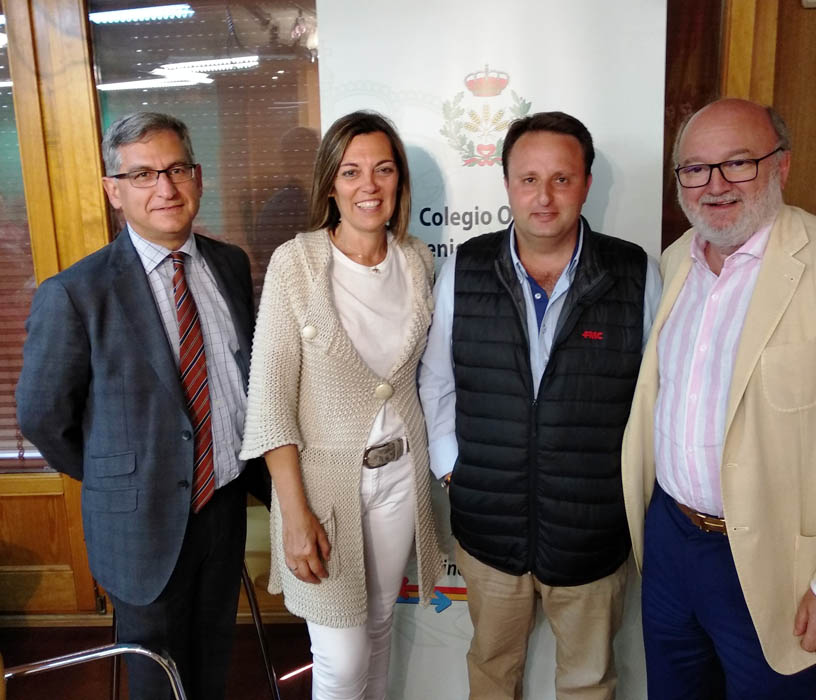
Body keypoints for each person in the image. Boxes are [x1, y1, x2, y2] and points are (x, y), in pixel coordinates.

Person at [621, 98, 816, 699]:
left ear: (782, 166)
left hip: (778, 566)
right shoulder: (674, 263)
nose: (714, 185)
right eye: (694, 168)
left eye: (738, 164)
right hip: (672, 543)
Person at [16, 112, 264, 700]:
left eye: (177, 169)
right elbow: (42, 418)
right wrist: (114, 476)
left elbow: (242, 377)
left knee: (211, 664)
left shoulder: (230, 265)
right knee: (157, 680)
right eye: (144, 174)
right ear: (114, 190)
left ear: (198, 176)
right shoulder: (76, 293)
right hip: (138, 524)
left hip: (223, 507)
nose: (166, 189)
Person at [419, 111, 661, 699]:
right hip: (490, 527)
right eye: (529, 179)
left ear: (587, 182)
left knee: (588, 681)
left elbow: (659, 395)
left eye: (561, 178)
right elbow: (436, 380)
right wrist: (454, 469)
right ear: (506, 184)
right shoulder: (463, 269)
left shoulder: (634, 273)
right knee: (492, 672)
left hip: (593, 530)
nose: (544, 197)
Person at [239, 110, 442, 700]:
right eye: (351, 172)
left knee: (378, 630)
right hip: (323, 490)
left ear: (399, 180)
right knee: (342, 659)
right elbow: (271, 399)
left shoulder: (417, 259)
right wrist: (294, 514)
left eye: (383, 169)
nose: (368, 186)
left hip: (399, 477)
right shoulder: (295, 263)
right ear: (331, 184)